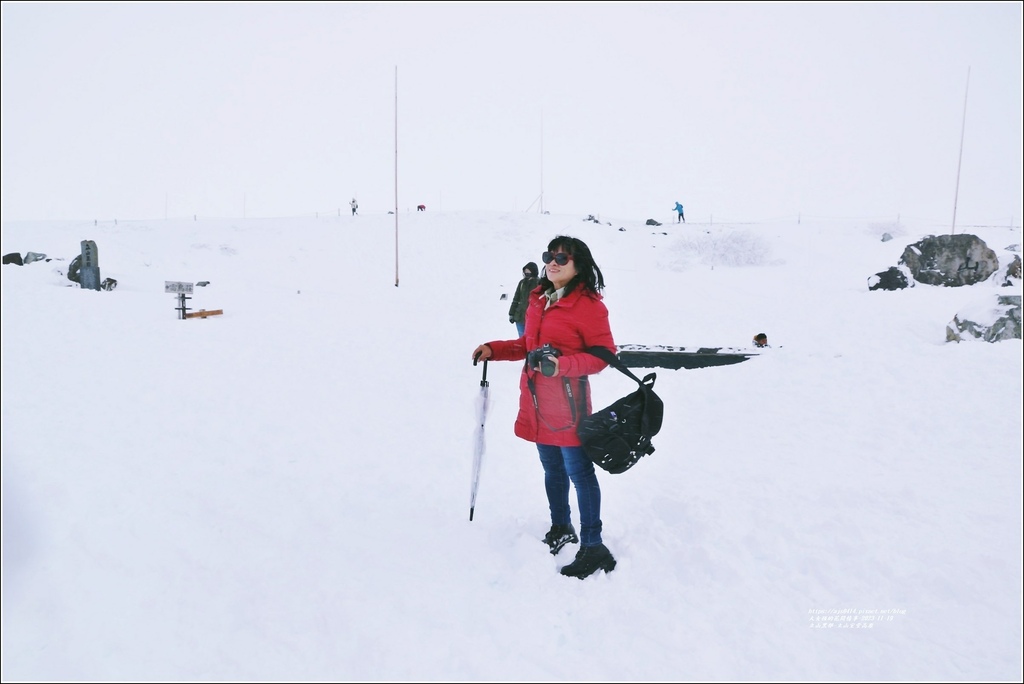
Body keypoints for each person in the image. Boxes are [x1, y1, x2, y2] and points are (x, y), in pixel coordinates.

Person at [471, 236, 618, 579]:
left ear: (579, 264)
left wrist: (561, 366)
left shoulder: (590, 306)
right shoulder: (539, 299)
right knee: (552, 469)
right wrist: (495, 348)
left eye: (562, 257)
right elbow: (528, 344)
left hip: (569, 405)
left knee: (579, 474)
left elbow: (604, 356)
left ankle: (593, 546)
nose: (553, 262)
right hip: (537, 401)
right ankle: (561, 527)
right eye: (549, 256)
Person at [508, 262, 539, 336]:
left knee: (531, 340)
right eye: (525, 271)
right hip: (519, 317)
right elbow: (516, 299)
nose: (526, 273)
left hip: (532, 318)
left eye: (528, 271)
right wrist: (511, 313)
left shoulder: (539, 283)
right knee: (521, 339)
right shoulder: (522, 283)